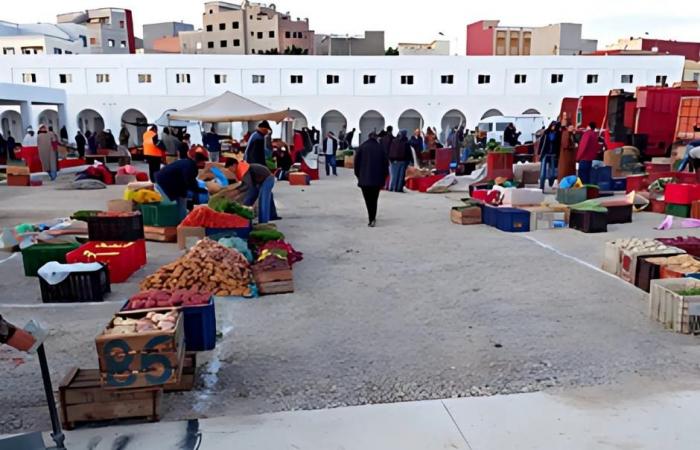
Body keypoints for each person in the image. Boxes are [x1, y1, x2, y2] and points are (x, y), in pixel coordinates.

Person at [155, 152, 209, 219]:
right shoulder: (190, 167)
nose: (205, 164)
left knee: (181, 199)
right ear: (200, 162)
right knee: (176, 201)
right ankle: (180, 221)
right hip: (164, 182)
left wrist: (198, 189)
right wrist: (201, 190)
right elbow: (190, 182)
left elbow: (190, 181)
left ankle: (181, 219)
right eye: (204, 162)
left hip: (167, 180)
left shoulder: (188, 163)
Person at [226, 159, 280, 223]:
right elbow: (244, 185)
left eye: (229, 168)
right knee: (249, 198)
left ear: (234, 165)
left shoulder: (243, 168)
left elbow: (247, 185)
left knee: (263, 199)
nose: (230, 171)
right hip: (257, 182)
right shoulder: (239, 170)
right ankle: (245, 216)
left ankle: (263, 222)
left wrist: (236, 192)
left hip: (267, 179)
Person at [354, 133, 389, 227]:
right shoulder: (381, 148)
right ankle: (372, 217)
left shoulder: (362, 147)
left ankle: (371, 217)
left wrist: (358, 175)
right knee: (374, 199)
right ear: (376, 138)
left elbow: (356, 163)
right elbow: (386, 164)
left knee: (368, 199)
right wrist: (384, 177)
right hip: (377, 179)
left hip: (364, 179)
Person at [538, 121, 561, 190]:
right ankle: (541, 187)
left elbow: (559, 145)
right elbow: (541, 143)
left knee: (552, 173)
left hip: (553, 154)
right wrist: (539, 153)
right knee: (542, 173)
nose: (553, 127)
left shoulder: (558, 134)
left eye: (555, 126)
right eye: (552, 125)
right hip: (545, 153)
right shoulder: (546, 133)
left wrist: (558, 154)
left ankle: (551, 182)